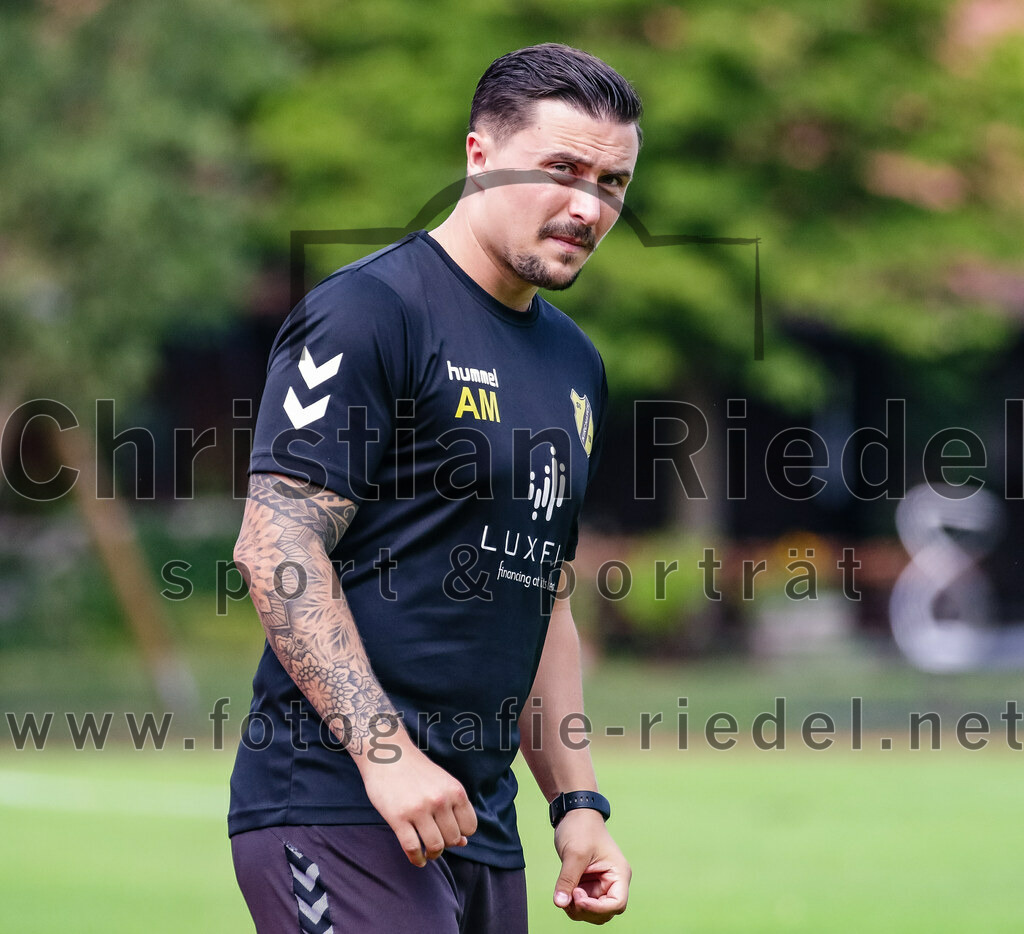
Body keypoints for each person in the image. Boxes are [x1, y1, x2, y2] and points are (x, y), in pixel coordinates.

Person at [229, 42, 642, 933]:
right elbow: (276, 544)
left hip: (481, 824)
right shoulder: (371, 311)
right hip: (338, 805)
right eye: (563, 168)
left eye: (612, 183)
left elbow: (544, 591)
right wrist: (386, 757)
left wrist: (578, 805)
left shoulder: (576, 362)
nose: (587, 205)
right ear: (480, 156)